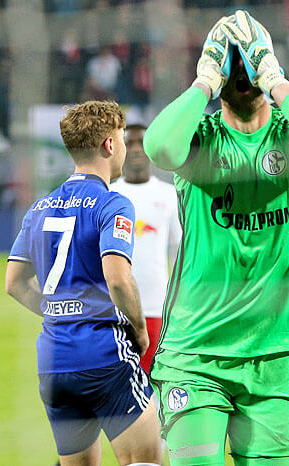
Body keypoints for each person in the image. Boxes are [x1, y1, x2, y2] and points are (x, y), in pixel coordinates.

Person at [143, 10, 289, 466]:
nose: (242, 73)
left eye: (249, 63)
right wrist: (202, 82)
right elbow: (159, 147)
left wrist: (275, 78)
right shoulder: (200, 141)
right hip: (194, 355)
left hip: (277, 356)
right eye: (231, 64)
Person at [5, 101, 161, 466]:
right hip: (104, 353)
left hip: (54, 361)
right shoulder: (112, 203)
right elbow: (119, 278)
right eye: (122, 139)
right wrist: (139, 330)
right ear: (110, 145)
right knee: (147, 460)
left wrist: (59, 312)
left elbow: (14, 282)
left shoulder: (40, 207)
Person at [111, 123, 181, 373]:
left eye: (142, 143)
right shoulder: (109, 194)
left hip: (156, 307)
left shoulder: (169, 195)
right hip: (114, 310)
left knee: (154, 387)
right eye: (129, 143)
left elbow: (181, 253)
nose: (137, 149)